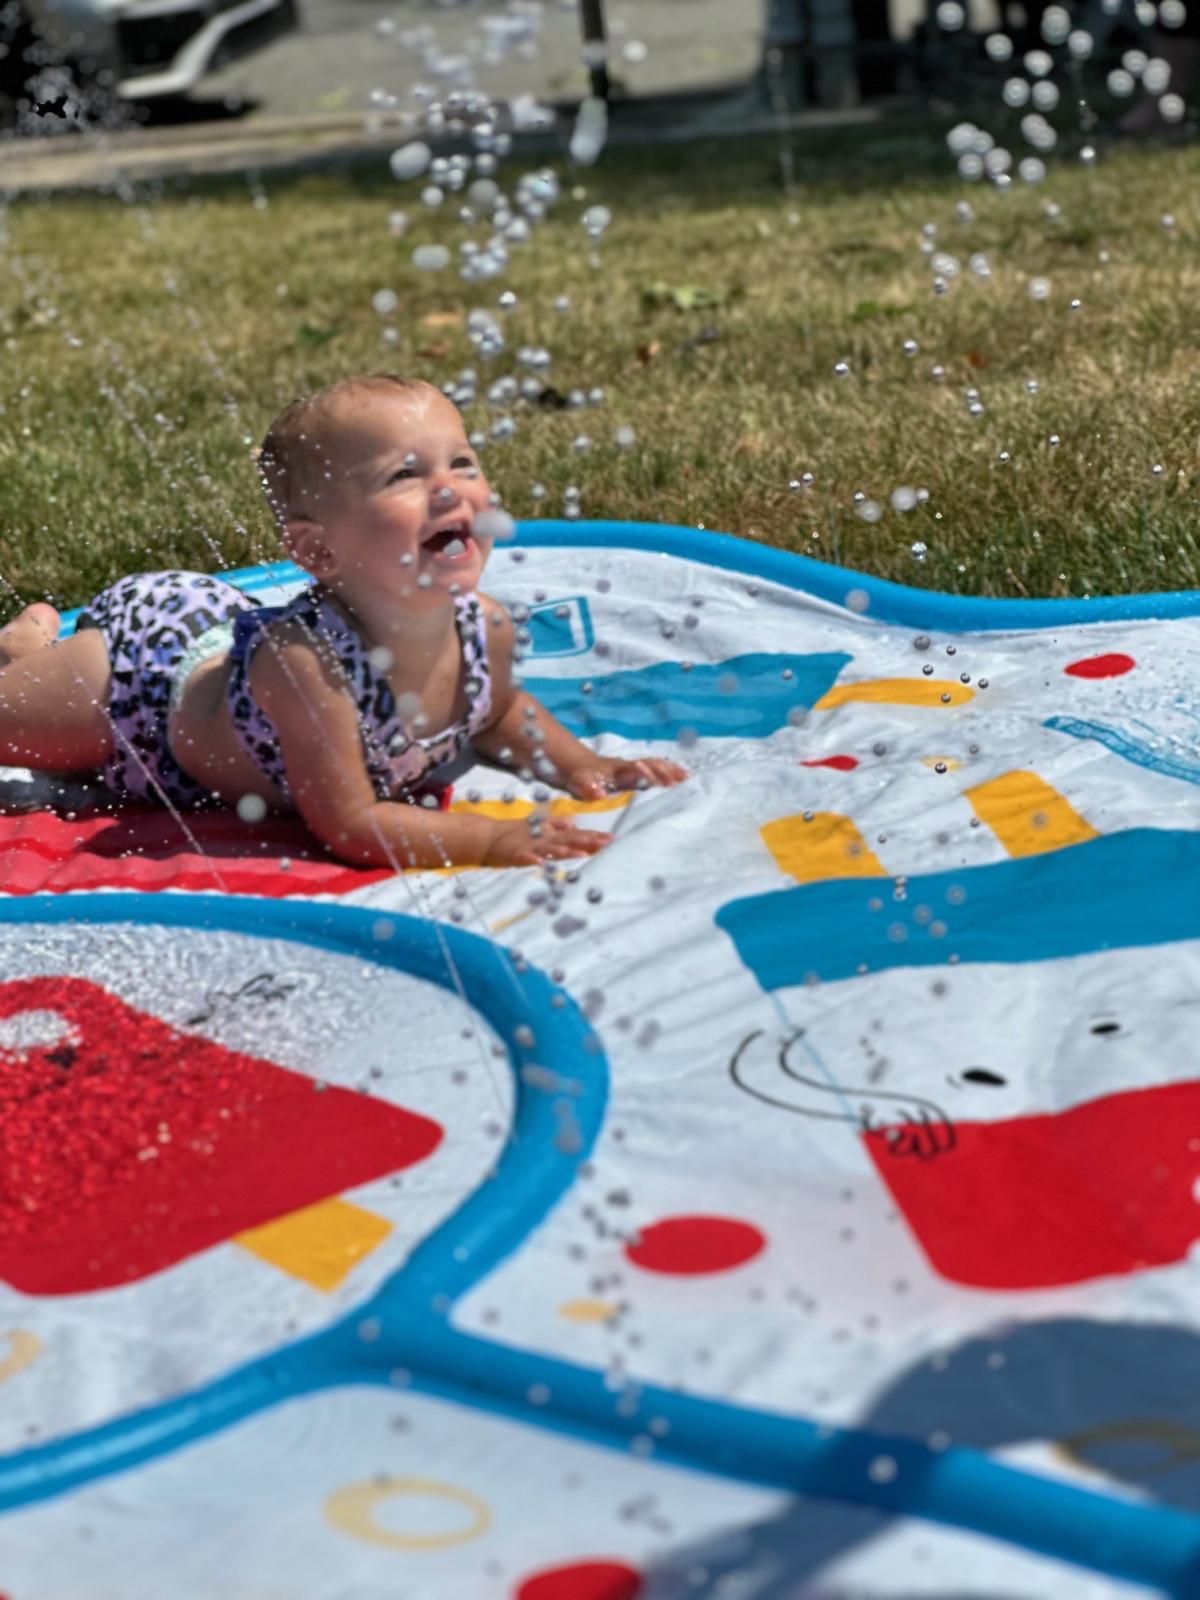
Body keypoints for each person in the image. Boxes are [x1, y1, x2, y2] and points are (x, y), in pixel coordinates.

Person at [0, 373, 688, 869]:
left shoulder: (486, 627)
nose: (450, 488)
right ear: (318, 550)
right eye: (404, 476)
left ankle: (30, 646)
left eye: (463, 462)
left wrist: (581, 765)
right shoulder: (307, 666)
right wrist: (492, 841)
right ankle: (29, 645)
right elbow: (351, 825)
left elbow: (499, 712)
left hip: (207, 649)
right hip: (141, 686)